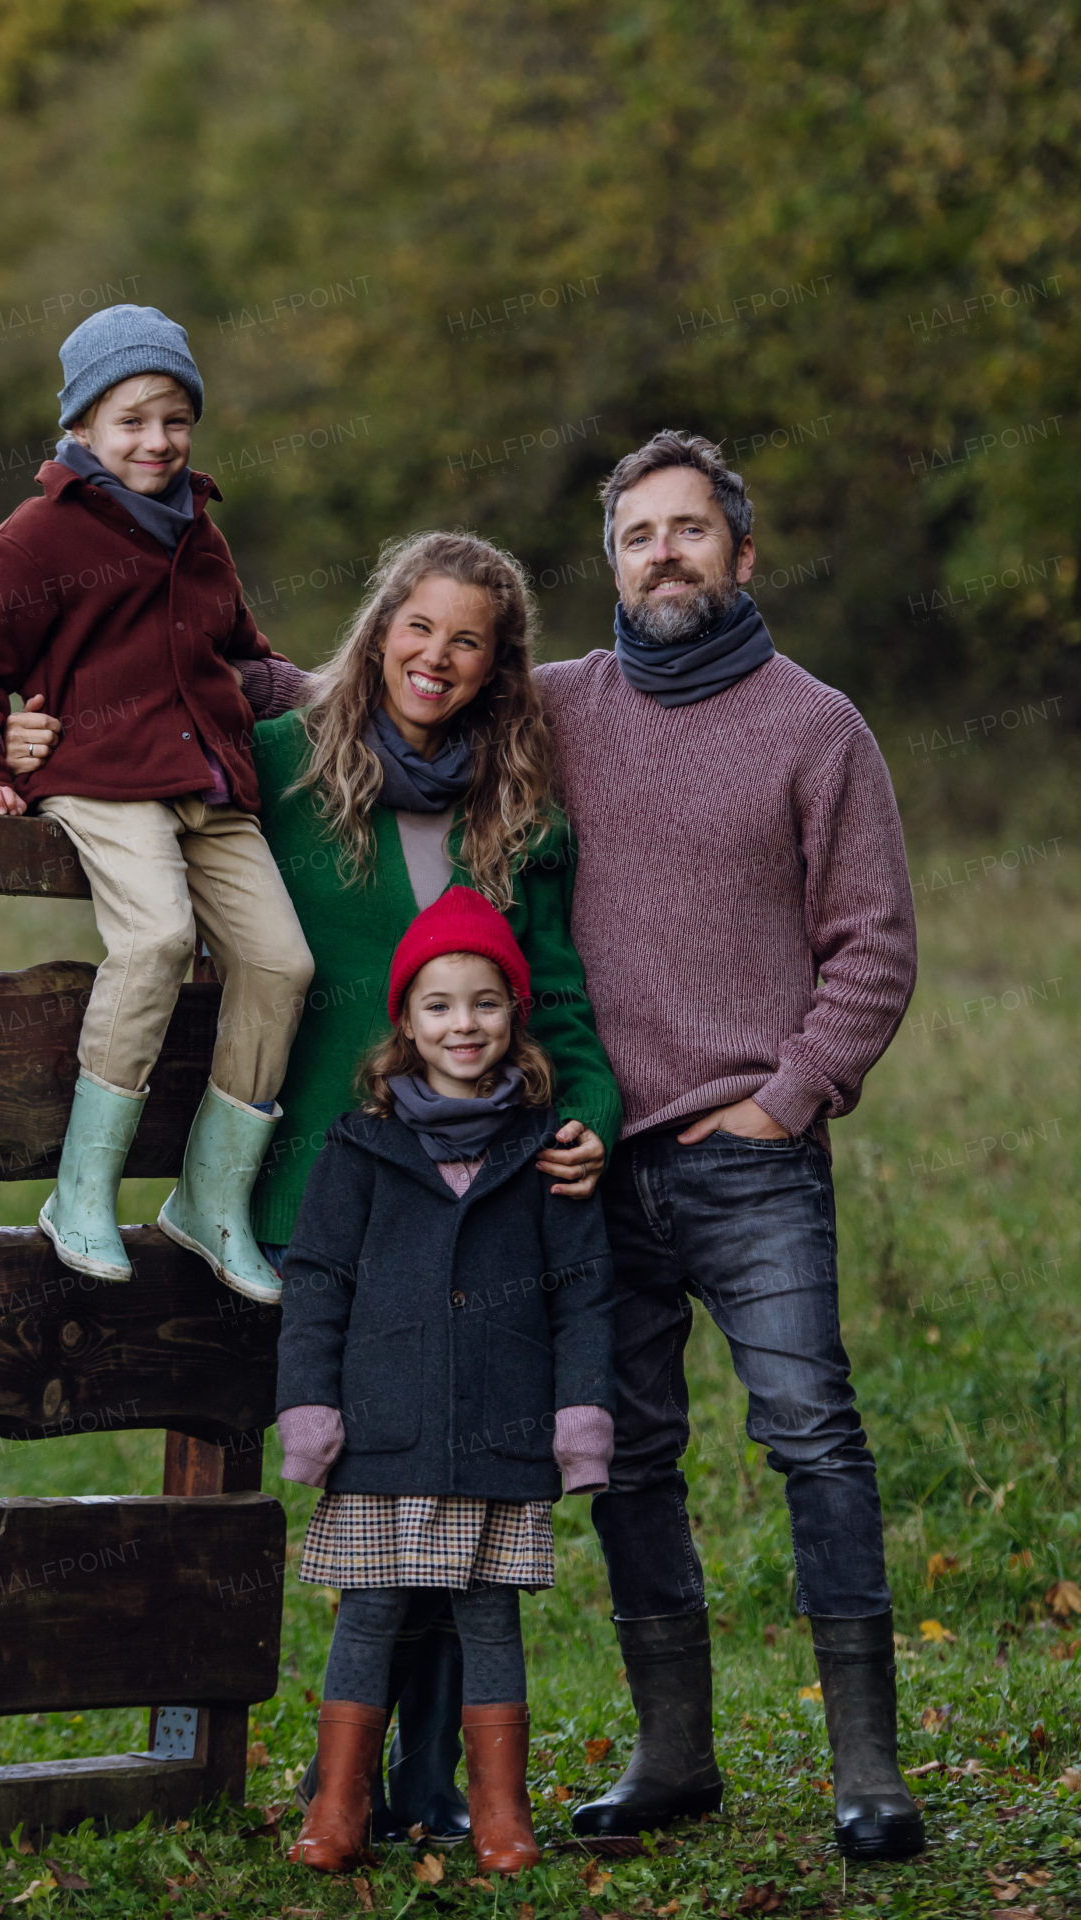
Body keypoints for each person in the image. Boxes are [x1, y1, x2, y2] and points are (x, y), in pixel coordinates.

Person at [2, 527, 622, 1836]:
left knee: (464, 1493)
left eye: (468, 638)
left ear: (500, 665)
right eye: (418, 626)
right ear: (379, 626)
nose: (436, 657)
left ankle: (433, 1786)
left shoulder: (523, 821)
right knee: (364, 1491)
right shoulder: (277, 765)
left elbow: (556, 1003)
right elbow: (137, 769)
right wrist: (17, 737)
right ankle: (309, 1776)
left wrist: (596, 1120)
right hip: (319, 1200)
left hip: (483, 1206)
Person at [533, 431, 922, 1861]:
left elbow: (873, 946)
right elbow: (383, 691)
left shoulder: (818, 728)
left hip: (748, 1158)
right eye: (639, 536)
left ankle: (869, 1773)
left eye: (690, 531)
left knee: (813, 1437)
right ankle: (675, 1756)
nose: (664, 556)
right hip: (590, 1166)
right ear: (613, 563)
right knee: (630, 1456)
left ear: (741, 556)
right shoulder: (555, 708)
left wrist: (789, 1094)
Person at [0, 303, 313, 1296]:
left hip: (210, 787)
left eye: (174, 418)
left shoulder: (201, 534)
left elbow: (246, 659)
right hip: (101, 779)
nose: (156, 441)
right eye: (132, 419)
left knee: (282, 961)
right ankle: (82, 1187)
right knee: (152, 941)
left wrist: (342, 699)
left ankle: (208, 1200)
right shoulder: (36, 539)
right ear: (84, 427)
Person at [276, 889, 615, 1874]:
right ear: (405, 1022)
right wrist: (309, 1405)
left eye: (483, 1004)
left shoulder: (541, 1149)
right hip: (384, 1426)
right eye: (438, 1005)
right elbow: (316, 1280)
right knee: (371, 1609)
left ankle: (499, 1811)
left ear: (513, 1015)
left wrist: (577, 1417)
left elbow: (582, 1291)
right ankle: (338, 1805)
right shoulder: (357, 1148)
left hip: (500, 1427)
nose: (461, 1025)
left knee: (486, 1615)